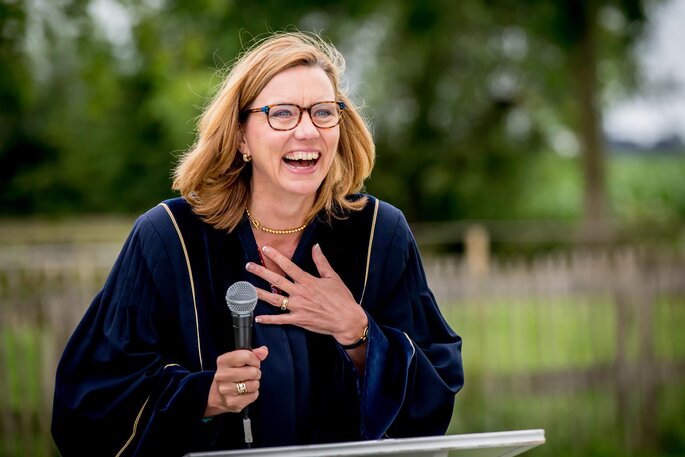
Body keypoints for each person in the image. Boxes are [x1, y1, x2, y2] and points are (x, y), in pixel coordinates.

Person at [51, 31, 464, 456]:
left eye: (323, 112)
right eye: (282, 113)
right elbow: (87, 407)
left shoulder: (379, 232)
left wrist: (357, 332)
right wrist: (205, 395)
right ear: (241, 137)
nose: (307, 131)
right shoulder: (169, 237)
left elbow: (435, 395)